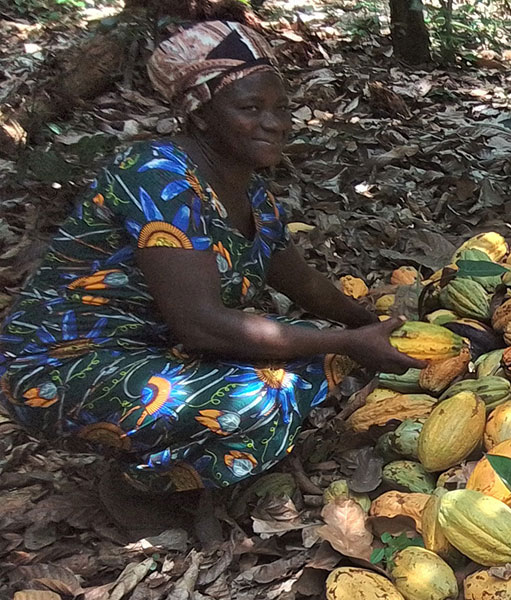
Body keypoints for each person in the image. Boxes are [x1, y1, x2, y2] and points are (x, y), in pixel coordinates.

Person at [0, 21, 423, 533]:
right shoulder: (156, 176)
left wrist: (371, 324)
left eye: (281, 108)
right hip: (64, 366)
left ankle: (186, 466)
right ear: (199, 115)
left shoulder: (250, 194)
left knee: (319, 363)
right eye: (250, 109)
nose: (275, 123)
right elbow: (201, 325)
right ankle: (134, 485)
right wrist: (351, 341)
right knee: (267, 394)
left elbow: (302, 283)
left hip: (153, 352)